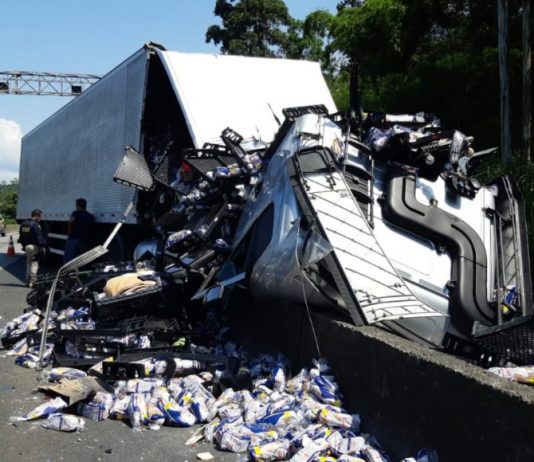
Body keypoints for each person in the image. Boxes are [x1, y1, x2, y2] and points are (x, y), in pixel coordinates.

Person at [18, 209, 47, 287]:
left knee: (28, 264)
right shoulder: (35, 225)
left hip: (27, 246)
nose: (40, 218)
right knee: (35, 264)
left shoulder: (23, 224)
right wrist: (44, 245)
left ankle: (27, 281)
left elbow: (21, 237)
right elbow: (39, 238)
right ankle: (32, 282)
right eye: (40, 216)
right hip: (34, 247)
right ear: (37, 216)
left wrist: (24, 246)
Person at [64, 198, 96, 263]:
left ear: (78, 205)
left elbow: (70, 222)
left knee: (68, 259)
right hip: (83, 241)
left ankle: (68, 272)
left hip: (73, 239)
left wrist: (69, 231)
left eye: (76, 205)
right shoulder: (91, 216)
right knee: (79, 260)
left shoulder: (75, 213)